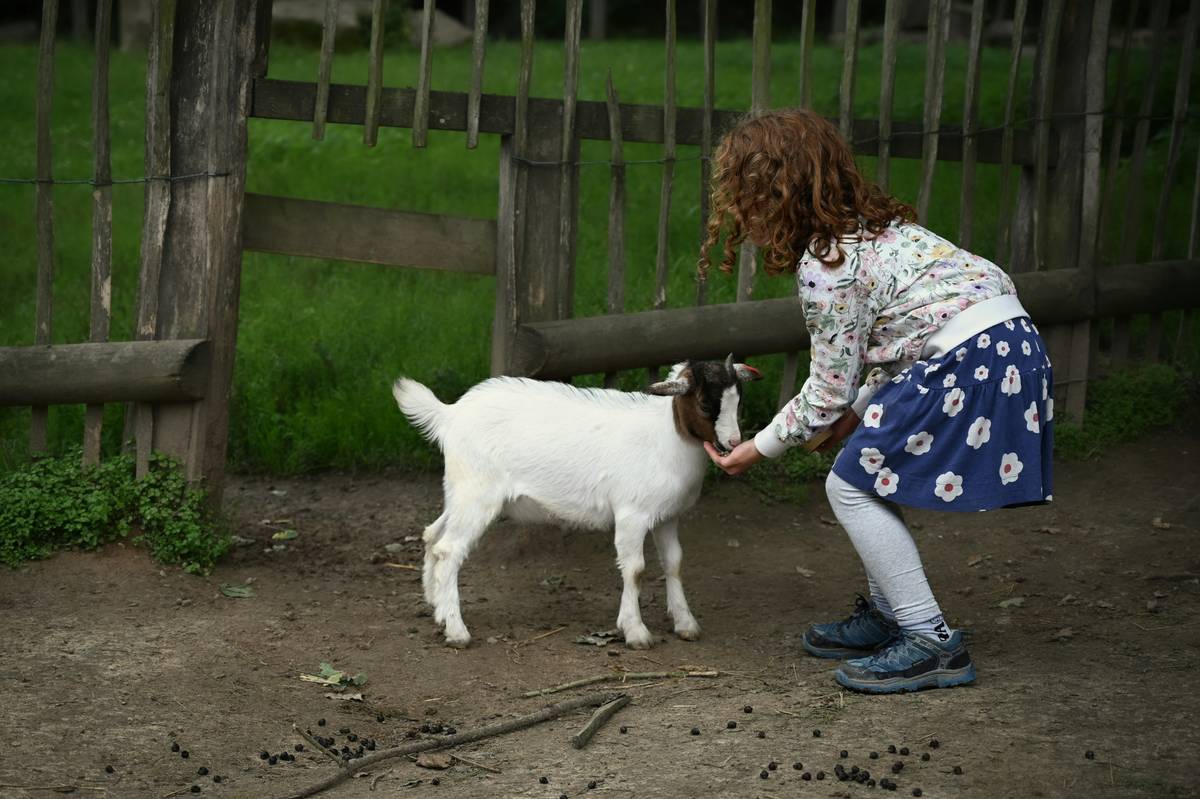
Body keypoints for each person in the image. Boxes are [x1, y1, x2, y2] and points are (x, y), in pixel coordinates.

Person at [698, 108, 1053, 694]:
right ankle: (892, 618)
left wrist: (755, 449)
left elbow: (826, 391)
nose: (738, 211)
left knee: (851, 483)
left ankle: (931, 640)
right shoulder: (875, 230)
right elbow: (902, 344)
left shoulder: (829, 266)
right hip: (1009, 345)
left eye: (746, 194)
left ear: (777, 195)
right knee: (869, 468)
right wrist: (862, 412)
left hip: (973, 360)